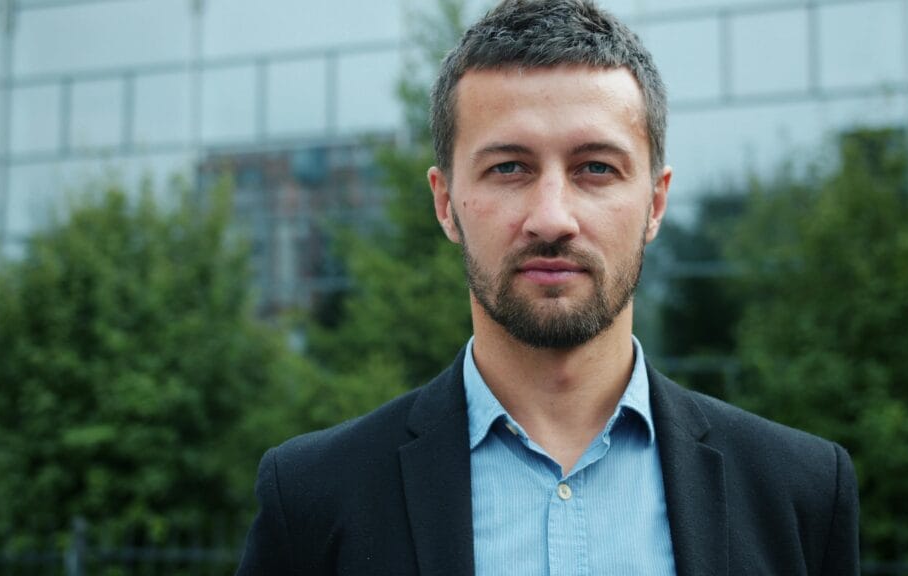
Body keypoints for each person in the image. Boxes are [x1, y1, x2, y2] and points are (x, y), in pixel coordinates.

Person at [235, 0, 860, 574]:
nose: (553, 217)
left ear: (655, 202)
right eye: (509, 167)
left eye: (596, 168)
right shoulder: (314, 496)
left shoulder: (800, 492)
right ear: (446, 203)